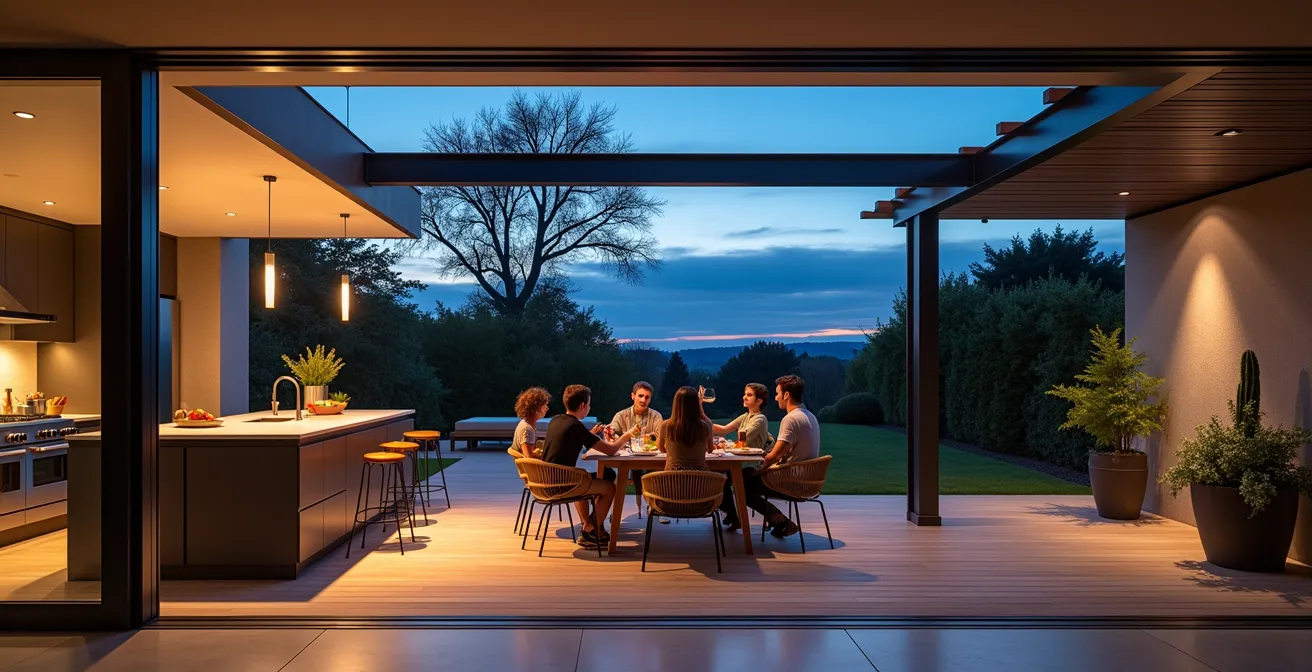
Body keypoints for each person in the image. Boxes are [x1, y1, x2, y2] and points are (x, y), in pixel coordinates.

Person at [719, 374, 820, 537]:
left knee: (740, 482)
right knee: (740, 477)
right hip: (807, 479)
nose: (775, 397)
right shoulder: (809, 416)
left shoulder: (791, 419)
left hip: (792, 480)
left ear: (786, 395)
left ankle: (778, 519)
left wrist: (759, 470)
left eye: (778, 393)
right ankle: (772, 519)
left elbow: (774, 456)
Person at [540, 384, 639, 547]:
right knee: (609, 488)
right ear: (582, 406)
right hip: (563, 484)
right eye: (589, 404)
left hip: (547, 480)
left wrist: (590, 434)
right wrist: (628, 435)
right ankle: (590, 529)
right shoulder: (575, 426)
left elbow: (572, 440)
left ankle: (591, 528)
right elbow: (611, 450)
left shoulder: (557, 420)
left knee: (607, 475)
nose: (589, 407)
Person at [608, 381, 666, 520]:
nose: (643, 400)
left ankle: (658, 508)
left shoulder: (656, 416)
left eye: (647, 397)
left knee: (660, 473)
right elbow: (613, 431)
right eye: (640, 396)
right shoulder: (621, 415)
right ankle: (615, 512)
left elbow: (661, 437)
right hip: (627, 459)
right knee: (618, 474)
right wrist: (611, 433)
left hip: (650, 459)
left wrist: (650, 438)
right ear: (633, 396)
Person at [657, 386, 714, 472]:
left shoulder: (666, 425)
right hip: (700, 481)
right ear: (696, 405)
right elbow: (710, 449)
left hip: (673, 480)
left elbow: (661, 448)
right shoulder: (705, 426)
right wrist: (701, 412)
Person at [710, 383, 773, 450]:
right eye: (745, 394)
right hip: (743, 457)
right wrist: (701, 423)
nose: (744, 397)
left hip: (753, 459)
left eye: (749, 395)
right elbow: (724, 429)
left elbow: (743, 441)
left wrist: (726, 444)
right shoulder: (745, 416)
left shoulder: (760, 419)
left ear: (759, 401)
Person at [512, 387, 551, 458]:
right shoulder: (527, 430)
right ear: (535, 409)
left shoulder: (525, 423)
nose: (547, 408)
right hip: (533, 468)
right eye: (544, 406)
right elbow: (529, 457)